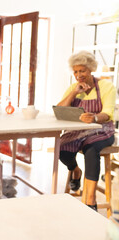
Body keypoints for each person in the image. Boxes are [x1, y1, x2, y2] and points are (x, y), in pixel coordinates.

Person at [58, 51, 116, 211]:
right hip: (78, 131)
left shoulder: (106, 86)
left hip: (102, 130)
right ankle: (75, 171)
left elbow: (108, 113)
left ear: (90, 69)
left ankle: (90, 201)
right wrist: (74, 92)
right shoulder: (73, 87)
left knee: (91, 148)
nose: (78, 75)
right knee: (61, 148)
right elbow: (60, 109)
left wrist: (95, 118)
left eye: (82, 70)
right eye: (75, 71)